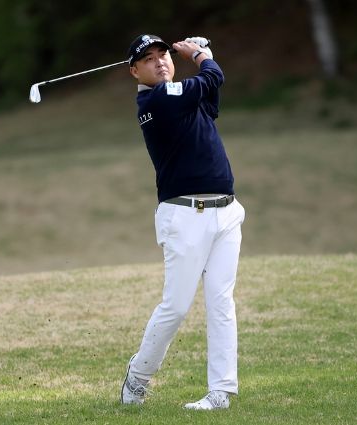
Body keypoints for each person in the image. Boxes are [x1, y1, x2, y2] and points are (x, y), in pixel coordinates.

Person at [120, 34, 245, 411]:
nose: (160, 61)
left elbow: (210, 96)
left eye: (164, 54)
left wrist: (204, 57)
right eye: (149, 58)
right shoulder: (156, 100)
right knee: (175, 307)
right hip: (184, 216)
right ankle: (138, 376)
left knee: (221, 302)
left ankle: (221, 391)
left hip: (226, 212)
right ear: (134, 71)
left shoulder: (180, 96)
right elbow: (213, 77)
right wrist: (201, 54)